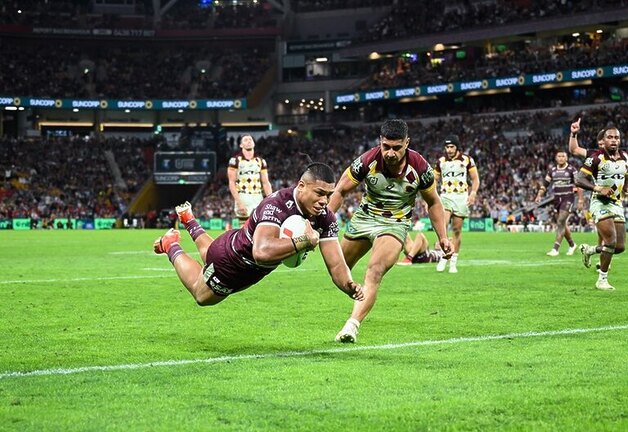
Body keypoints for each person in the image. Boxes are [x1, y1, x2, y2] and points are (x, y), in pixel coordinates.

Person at [153, 162, 364, 308]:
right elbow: (261, 252)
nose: (324, 201)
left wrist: (348, 284)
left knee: (209, 254)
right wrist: (303, 241)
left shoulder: (324, 217)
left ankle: (189, 221)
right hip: (233, 260)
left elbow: (336, 264)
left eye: (328, 195)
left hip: (247, 264)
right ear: (301, 186)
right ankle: (171, 245)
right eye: (319, 193)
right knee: (201, 295)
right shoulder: (277, 204)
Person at [328, 119, 452, 343]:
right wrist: (324, 222)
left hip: (394, 224)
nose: (391, 153)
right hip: (364, 218)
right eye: (386, 147)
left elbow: (433, 202)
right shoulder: (367, 160)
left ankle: (352, 325)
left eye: (396, 147)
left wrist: (442, 237)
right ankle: (358, 294)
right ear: (380, 142)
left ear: (407, 143)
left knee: (374, 272)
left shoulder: (421, 168)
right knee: (338, 268)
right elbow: (339, 191)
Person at [575, 126, 627, 290]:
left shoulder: (625, 157)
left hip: (617, 203)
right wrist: (598, 188)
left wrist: (625, 189)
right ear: (603, 141)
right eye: (610, 137)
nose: (613, 140)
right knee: (610, 241)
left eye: (616, 138)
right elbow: (579, 179)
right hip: (600, 202)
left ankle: (590, 250)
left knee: (619, 247)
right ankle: (602, 280)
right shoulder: (595, 157)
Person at [434, 134, 480, 273]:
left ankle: (453, 262)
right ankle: (444, 256)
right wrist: (431, 198)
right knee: (444, 225)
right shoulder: (440, 162)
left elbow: (475, 179)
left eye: (451, 146)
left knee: (457, 230)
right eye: (447, 147)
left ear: (457, 147)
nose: (449, 149)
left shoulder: (467, 160)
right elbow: (434, 180)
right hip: (445, 196)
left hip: (461, 197)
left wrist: (473, 193)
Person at [568, 117, 606, 268]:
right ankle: (604, 265)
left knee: (607, 235)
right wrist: (573, 134)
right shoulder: (594, 155)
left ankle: (593, 252)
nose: (602, 146)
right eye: (600, 144)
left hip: (616, 198)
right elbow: (574, 150)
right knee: (608, 233)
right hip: (599, 197)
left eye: (605, 143)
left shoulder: (621, 157)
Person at [534, 151, 583, 256]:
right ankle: (572, 245)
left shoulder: (571, 170)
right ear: (556, 158)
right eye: (559, 156)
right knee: (562, 224)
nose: (561, 158)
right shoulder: (552, 170)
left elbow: (579, 185)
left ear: (566, 158)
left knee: (560, 221)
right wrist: (539, 195)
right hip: (557, 199)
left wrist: (580, 200)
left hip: (568, 198)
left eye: (563, 156)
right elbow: (545, 184)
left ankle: (555, 249)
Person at [228, 135, 273, 223]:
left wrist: (271, 199)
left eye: (250, 139)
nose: (248, 141)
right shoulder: (235, 160)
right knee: (244, 229)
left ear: (254, 143)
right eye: (245, 140)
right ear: (241, 145)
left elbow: (266, 183)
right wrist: (239, 202)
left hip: (258, 197)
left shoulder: (260, 161)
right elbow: (231, 182)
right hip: (243, 196)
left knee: (259, 228)